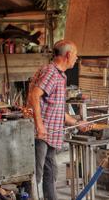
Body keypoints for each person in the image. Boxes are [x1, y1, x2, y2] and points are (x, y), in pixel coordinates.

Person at [28, 40, 91, 200]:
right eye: (75, 54)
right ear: (68, 54)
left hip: (50, 135)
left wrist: (78, 123)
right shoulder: (51, 72)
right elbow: (35, 95)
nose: (76, 58)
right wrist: (40, 126)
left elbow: (57, 112)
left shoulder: (59, 75)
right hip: (41, 135)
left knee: (51, 173)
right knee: (36, 175)